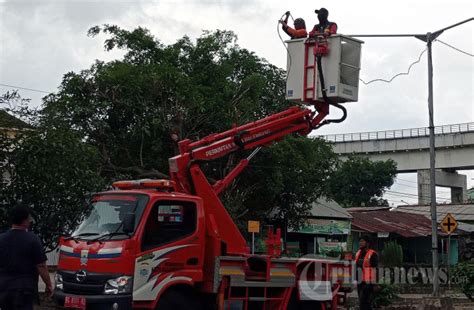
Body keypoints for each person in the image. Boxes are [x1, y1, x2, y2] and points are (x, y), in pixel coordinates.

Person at [0, 204, 53, 310]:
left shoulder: (1, 239)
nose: (30, 220)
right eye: (29, 218)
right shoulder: (33, 239)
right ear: (25, 221)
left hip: (4, 288)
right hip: (24, 289)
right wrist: (49, 284)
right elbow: (41, 265)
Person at [355, 235, 378, 310]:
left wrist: (375, 284)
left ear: (367, 243)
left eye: (362, 241)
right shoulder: (358, 253)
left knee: (366, 302)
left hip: (368, 283)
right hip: (360, 281)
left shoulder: (372, 254)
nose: (360, 243)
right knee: (362, 302)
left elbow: (375, 269)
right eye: (360, 241)